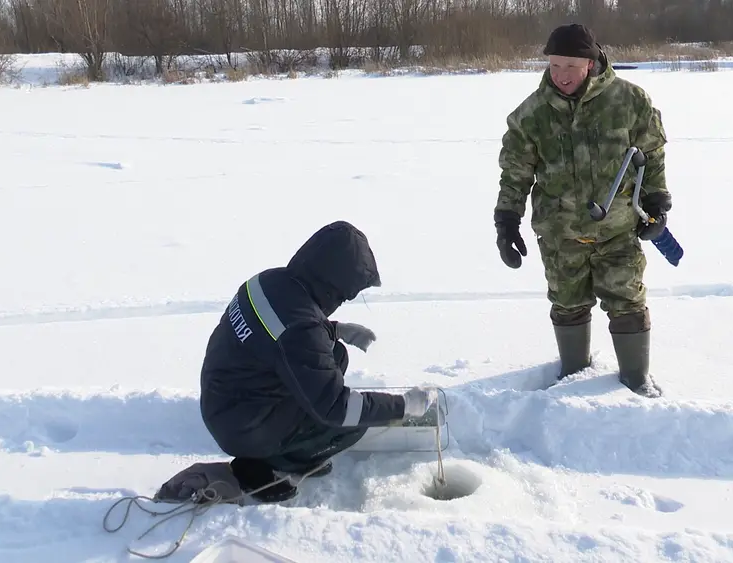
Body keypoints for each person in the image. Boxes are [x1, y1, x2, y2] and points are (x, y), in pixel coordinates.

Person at [493, 23, 672, 398]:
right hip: (560, 235)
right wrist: (507, 221)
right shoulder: (531, 115)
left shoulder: (630, 101)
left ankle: (636, 381)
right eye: (554, 66)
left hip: (619, 228)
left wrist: (658, 204)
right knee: (567, 302)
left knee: (626, 301)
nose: (560, 76)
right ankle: (572, 380)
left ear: (590, 64)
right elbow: (515, 174)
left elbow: (652, 156)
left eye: (569, 66)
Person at [199, 220, 435, 503]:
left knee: (336, 355)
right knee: (351, 423)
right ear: (334, 285)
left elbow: (280, 335)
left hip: (226, 398)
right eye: (346, 295)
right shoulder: (302, 330)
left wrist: (333, 330)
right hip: (242, 427)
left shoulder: (270, 280)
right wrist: (404, 406)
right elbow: (338, 407)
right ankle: (267, 465)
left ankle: (278, 441)